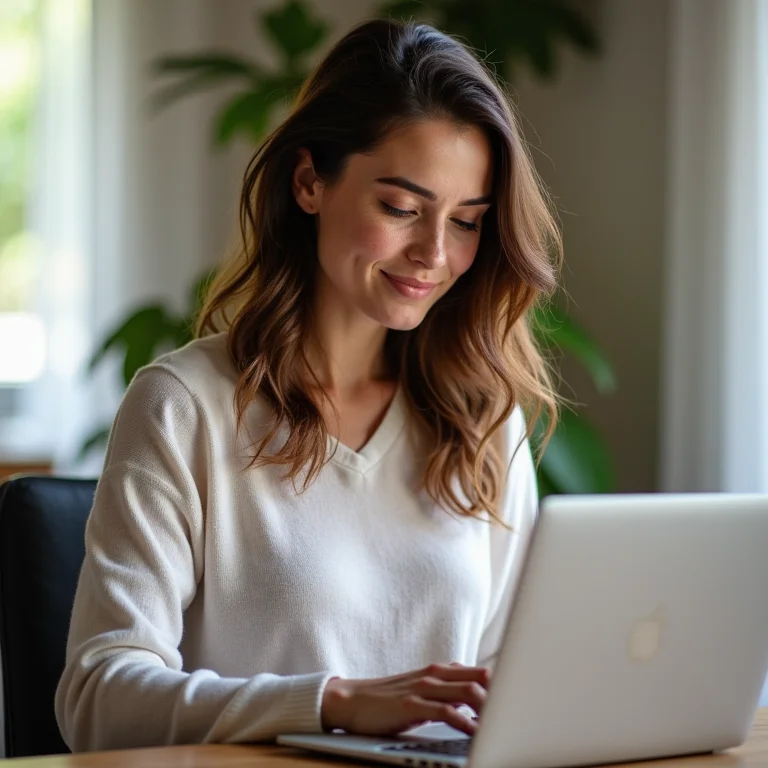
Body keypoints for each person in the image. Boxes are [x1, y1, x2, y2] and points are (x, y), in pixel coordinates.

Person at [55, 17, 561, 752]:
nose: (434, 254)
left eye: (468, 223)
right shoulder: (183, 405)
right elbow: (98, 697)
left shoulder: (485, 418)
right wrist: (330, 703)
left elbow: (506, 679)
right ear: (308, 182)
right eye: (401, 208)